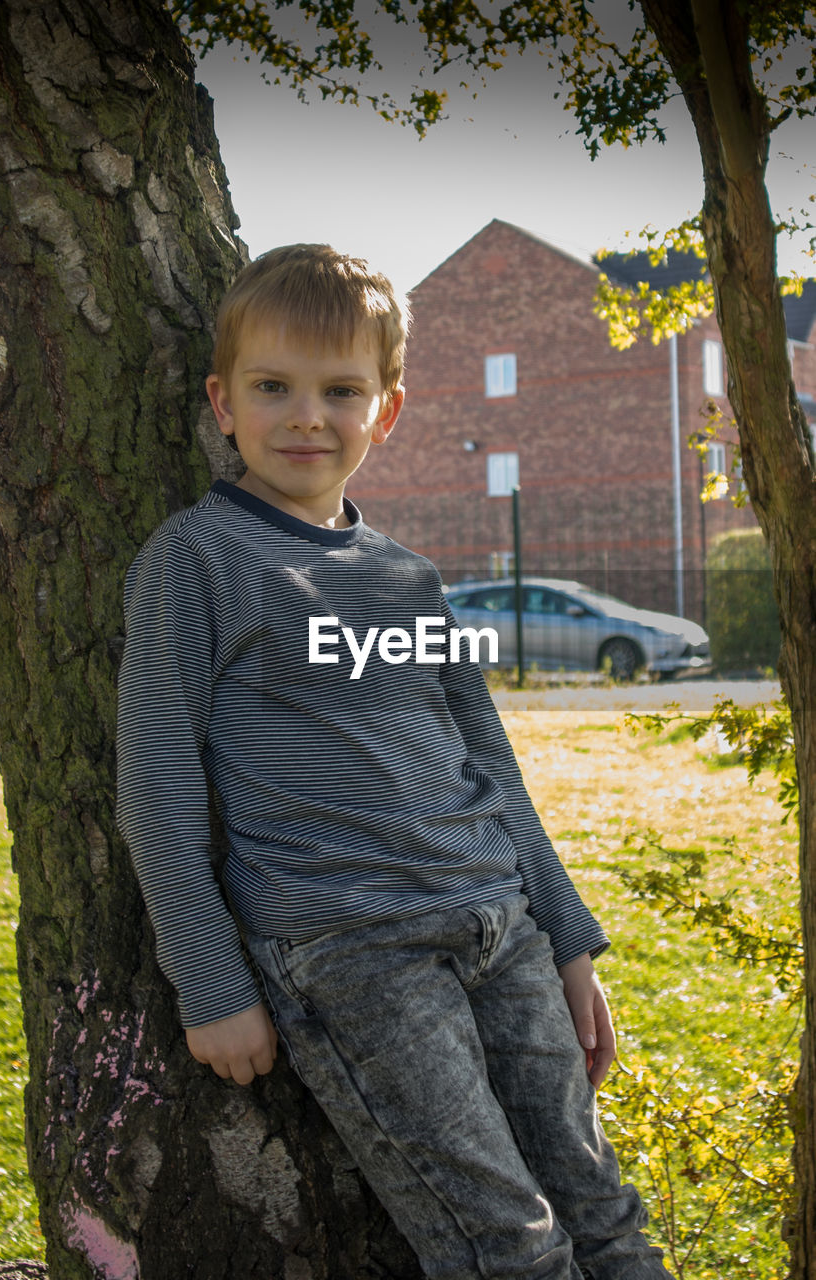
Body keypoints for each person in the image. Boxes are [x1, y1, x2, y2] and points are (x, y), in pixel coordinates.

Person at [116, 243, 669, 1280]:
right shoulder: (193, 560)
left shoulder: (410, 578)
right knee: (505, 1242)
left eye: (340, 390)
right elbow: (154, 782)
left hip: (496, 926)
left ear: (389, 410)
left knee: (603, 1207)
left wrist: (567, 939)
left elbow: (488, 765)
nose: (306, 416)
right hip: (354, 949)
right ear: (221, 401)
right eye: (272, 387)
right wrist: (208, 980)